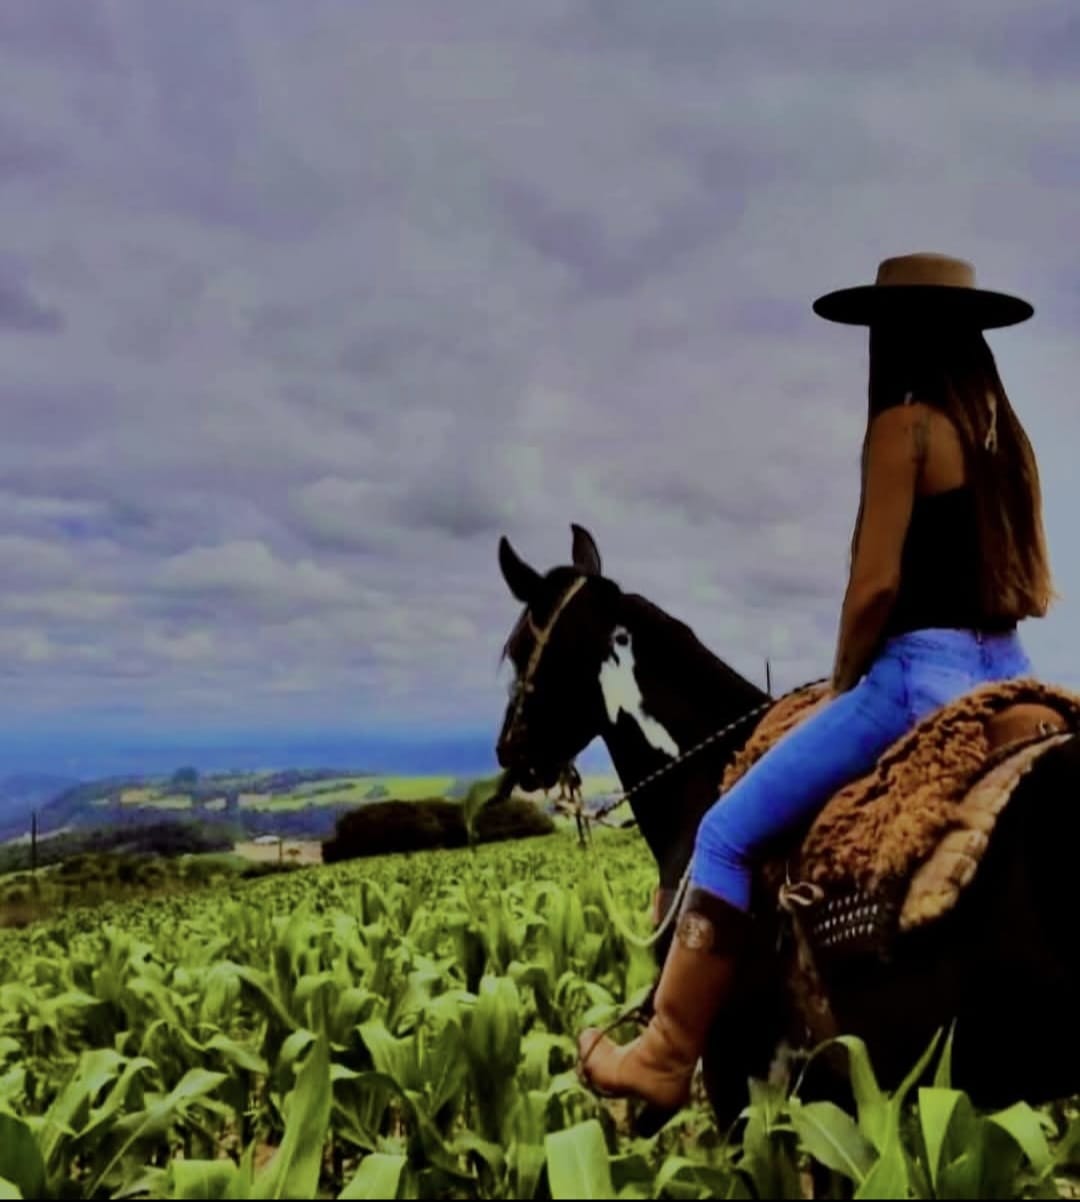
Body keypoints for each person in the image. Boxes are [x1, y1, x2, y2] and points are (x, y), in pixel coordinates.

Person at [577, 252, 1055, 1112]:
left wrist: (844, 679)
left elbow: (874, 587)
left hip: (919, 679)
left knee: (725, 833)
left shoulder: (903, 427)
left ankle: (663, 1053)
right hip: (1009, 670)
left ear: (892, 335)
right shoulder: (1002, 438)